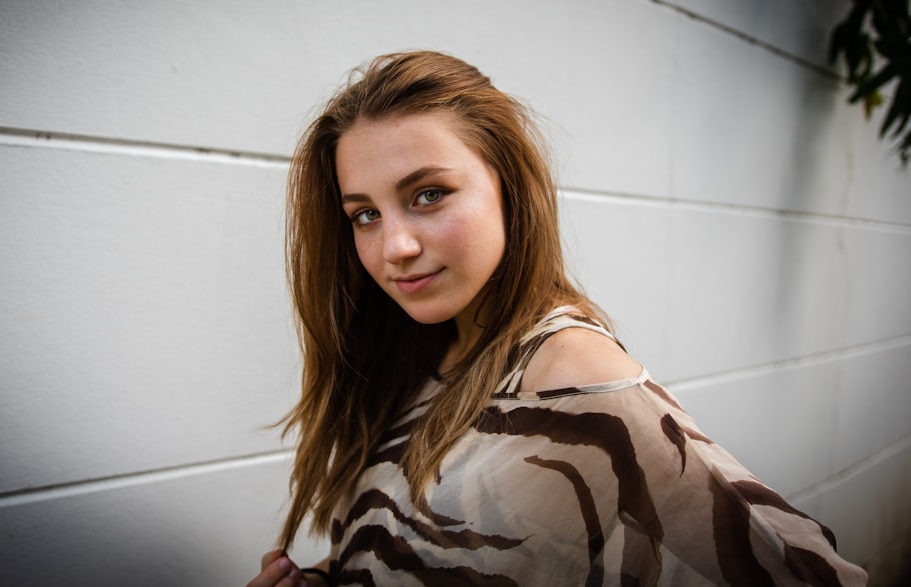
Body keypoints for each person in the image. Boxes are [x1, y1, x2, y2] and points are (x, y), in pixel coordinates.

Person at [247, 51, 868, 586]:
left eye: (429, 194)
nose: (394, 247)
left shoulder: (576, 377)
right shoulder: (420, 350)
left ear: (512, 188)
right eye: (365, 214)